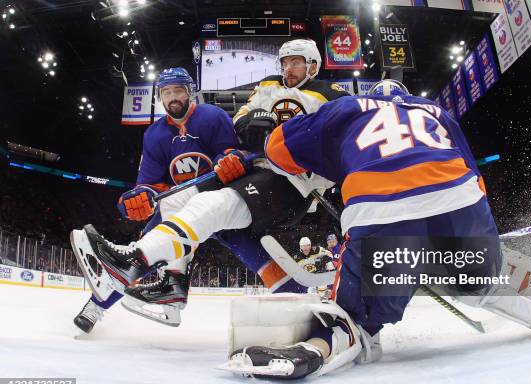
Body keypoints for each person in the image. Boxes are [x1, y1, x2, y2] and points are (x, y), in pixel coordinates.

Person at [220, 79, 531, 379]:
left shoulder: (348, 107)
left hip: (383, 207)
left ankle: (319, 348)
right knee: (478, 283)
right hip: (460, 199)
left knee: (357, 318)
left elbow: (281, 148)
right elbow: (474, 175)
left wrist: (266, 136)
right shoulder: (435, 110)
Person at [72, 39, 349, 331]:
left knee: (249, 253)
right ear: (160, 97)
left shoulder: (213, 117)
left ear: (190, 93)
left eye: (178, 90)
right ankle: (102, 306)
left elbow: (232, 149)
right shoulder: (155, 135)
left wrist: (231, 159)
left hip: (229, 188)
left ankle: (297, 300)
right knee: (155, 237)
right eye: (166, 92)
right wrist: (142, 195)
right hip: (186, 200)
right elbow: (153, 183)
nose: (173, 97)